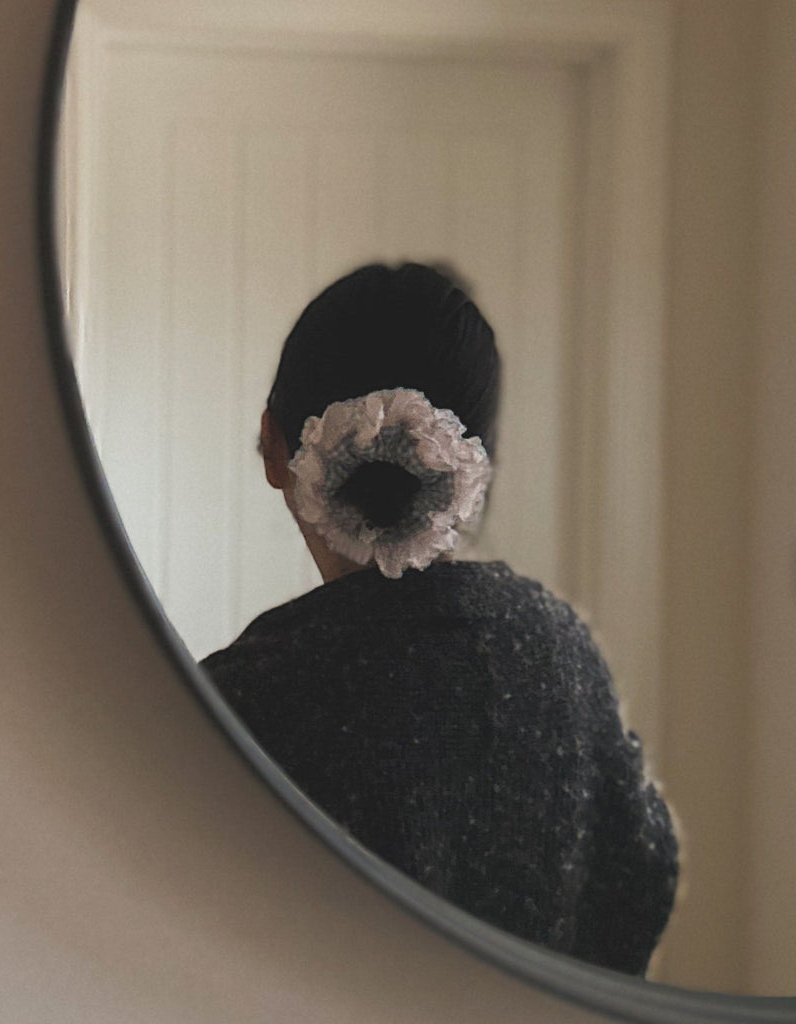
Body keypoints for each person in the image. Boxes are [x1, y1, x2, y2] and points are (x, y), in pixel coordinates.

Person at [200, 262, 678, 976]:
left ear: (273, 445)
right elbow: (640, 886)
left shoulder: (234, 704)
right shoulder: (565, 661)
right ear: (476, 470)